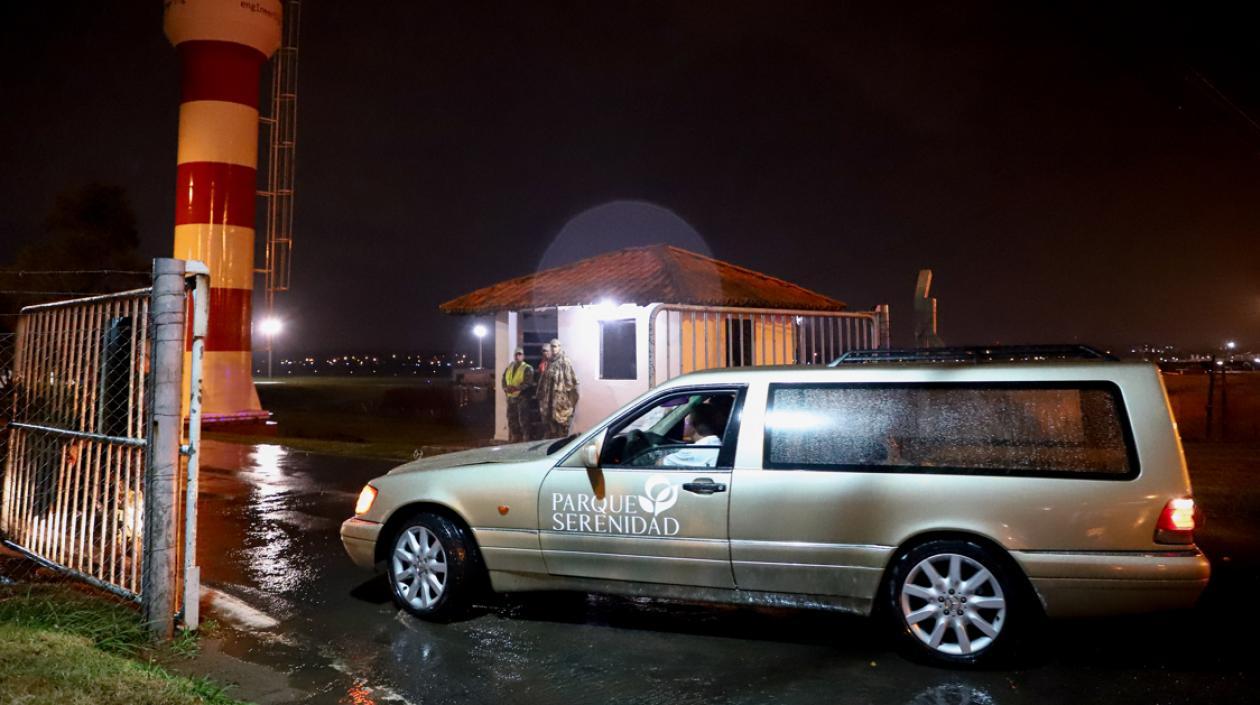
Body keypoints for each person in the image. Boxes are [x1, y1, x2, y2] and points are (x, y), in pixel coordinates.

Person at [536, 338, 579, 438]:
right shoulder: (550, 362)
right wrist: (541, 393)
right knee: (551, 423)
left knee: (562, 424)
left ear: (559, 347)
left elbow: (571, 383)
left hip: (561, 400)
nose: (553, 349)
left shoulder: (564, 361)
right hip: (549, 399)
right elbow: (544, 379)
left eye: (555, 346)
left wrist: (569, 401)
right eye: (552, 347)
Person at [662, 403, 727, 467]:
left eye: (687, 421)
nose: (685, 424)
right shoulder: (717, 443)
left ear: (692, 425)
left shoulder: (693, 451)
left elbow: (660, 463)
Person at [502, 347, 534, 443]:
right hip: (511, 397)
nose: (517, 356)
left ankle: (526, 437)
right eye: (516, 354)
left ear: (523, 356)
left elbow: (528, 383)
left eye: (520, 354)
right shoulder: (510, 367)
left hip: (522, 397)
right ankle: (515, 436)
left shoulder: (528, 368)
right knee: (511, 418)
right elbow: (503, 379)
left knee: (523, 419)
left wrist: (516, 388)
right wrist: (505, 388)